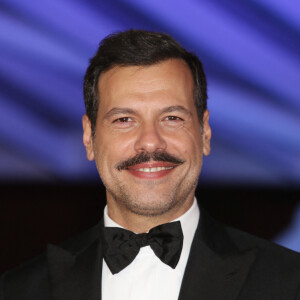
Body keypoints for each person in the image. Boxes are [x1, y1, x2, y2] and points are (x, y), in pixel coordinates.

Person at [1, 29, 300, 300]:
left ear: (205, 133)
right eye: (124, 120)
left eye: (172, 118)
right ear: (89, 138)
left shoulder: (288, 282)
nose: (150, 142)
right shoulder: (18, 291)